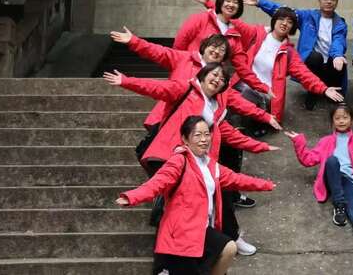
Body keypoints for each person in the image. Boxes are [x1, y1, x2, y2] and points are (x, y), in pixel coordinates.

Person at [103, 63, 278, 255]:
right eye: (214, 74)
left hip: (198, 162)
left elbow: (232, 136)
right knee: (182, 202)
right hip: (170, 156)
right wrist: (126, 81)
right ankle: (172, 253)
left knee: (218, 195)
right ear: (203, 75)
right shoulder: (186, 89)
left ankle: (226, 239)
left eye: (222, 79)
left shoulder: (215, 110)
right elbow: (157, 88)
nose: (217, 80)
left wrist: (262, 147)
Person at [116, 115, 275, 275]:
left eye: (207, 134)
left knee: (229, 248)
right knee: (227, 248)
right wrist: (132, 197)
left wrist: (266, 185)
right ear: (185, 139)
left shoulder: (211, 166)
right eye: (197, 135)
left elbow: (237, 179)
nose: (203, 139)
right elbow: (158, 182)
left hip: (201, 231)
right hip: (181, 235)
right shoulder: (179, 161)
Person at [108, 29, 281, 131]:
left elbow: (237, 101)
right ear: (204, 47)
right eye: (214, 46)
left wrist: (264, 116)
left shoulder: (219, 79)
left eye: (222, 50)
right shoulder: (184, 58)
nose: (216, 51)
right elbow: (157, 51)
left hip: (195, 131)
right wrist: (134, 41)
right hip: (168, 120)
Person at [285, 103, 353, 243]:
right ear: (332, 121)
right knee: (332, 161)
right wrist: (298, 141)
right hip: (330, 177)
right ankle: (339, 206)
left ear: (351, 120)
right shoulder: (325, 141)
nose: (341, 121)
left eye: (345, 117)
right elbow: (308, 160)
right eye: (337, 118)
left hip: (348, 179)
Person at [241, 0, 349, 110]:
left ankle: (334, 91)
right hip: (313, 64)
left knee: (341, 60)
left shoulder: (340, 23)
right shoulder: (308, 16)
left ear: (337, 2)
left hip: (331, 63)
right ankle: (313, 92)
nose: (329, 1)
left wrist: (337, 55)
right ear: (319, 0)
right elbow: (284, 12)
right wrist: (260, 2)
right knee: (315, 57)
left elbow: (339, 40)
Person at [229, 6, 344, 123]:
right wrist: (218, 7)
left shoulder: (289, 53)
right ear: (274, 20)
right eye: (281, 19)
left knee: (245, 94)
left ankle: (249, 122)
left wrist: (324, 89)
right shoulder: (258, 34)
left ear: (292, 27)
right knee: (229, 91)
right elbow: (237, 24)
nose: (285, 23)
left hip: (264, 94)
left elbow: (304, 74)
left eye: (290, 22)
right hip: (242, 85)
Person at [174, 0, 273, 97]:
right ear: (221, 1)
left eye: (235, 2)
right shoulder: (200, 19)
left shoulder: (234, 36)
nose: (231, 4)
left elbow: (243, 69)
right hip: (186, 77)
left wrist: (264, 87)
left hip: (210, 86)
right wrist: (180, 70)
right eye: (228, 1)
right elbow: (179, 46)